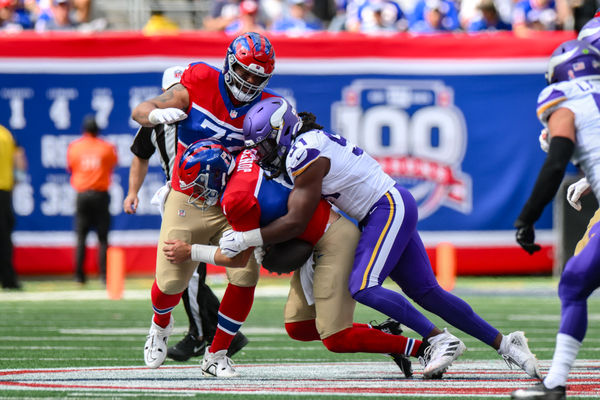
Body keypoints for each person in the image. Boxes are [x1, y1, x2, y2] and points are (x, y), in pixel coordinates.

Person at [219, 97, 542, 380]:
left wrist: (247, 238)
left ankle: (437, 339)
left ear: (283, 132)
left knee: (363, 286)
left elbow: (296, 221)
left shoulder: (305, 152)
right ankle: (505, 343)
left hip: (385, 208)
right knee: (427, 292)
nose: (261, 155)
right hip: (384, 208)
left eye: (264, 145)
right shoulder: (305, 145)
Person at [163, 139, 459, 379]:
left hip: (332, 238)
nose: (199, 197)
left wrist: (192, 252)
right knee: (299, 327)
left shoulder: (235, 199)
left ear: (214, 177)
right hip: (310, 236)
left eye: (200, 188)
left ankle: (423, 348)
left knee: (335, 337)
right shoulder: (245, 157)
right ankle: (383, 336)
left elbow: (238, 260)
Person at [130, 31, 279, 369]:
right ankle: (160, 325)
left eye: (257, 76)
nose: (249, 80)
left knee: (244, 276)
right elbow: (144, 109)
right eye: (244, 71)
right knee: (170, 282)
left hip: (233, 201)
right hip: (190, 195)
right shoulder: (199, 81)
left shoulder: (269, 105)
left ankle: (218, 353)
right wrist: (155, 115)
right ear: (229, 63)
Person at [124, 66, 249, 363]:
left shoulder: (208, 114)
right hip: (179, 197)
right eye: (173, 94)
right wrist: (132, 192)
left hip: (218, 198)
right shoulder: (156, 119)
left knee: (216, 270)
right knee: (178, 273)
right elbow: (140, 155)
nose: (179, 100)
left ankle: (202, 334)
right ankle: (189, 329)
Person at [510, 39, 600, 400]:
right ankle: (554, 383)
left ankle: (555, 384)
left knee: (575, 284)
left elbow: (556, 159)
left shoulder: (564, 98)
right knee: (576, 280)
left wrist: (527, 217)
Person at [66, 115, 118, 284]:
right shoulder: (107, 147)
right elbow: (112, 165)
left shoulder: (74, 147)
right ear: (98, 130)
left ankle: (79, 276)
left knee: (81, 236)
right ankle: (104, 276)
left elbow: (71, 167)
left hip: (82, 195)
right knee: (102, 237)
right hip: (100, 194)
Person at [0, 123, 26, 290]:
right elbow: (19, 160)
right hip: (3, 191)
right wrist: (15, 182)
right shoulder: (6, 134)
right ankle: (8, 279)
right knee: (3, 239)